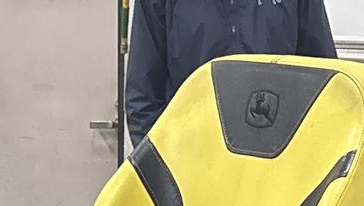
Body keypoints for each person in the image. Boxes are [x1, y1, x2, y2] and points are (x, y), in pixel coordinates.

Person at [124, 0, 338, 143]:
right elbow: (143, 92)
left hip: (276, 164)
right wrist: (159, 174)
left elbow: (326, 81)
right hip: (191, 164)